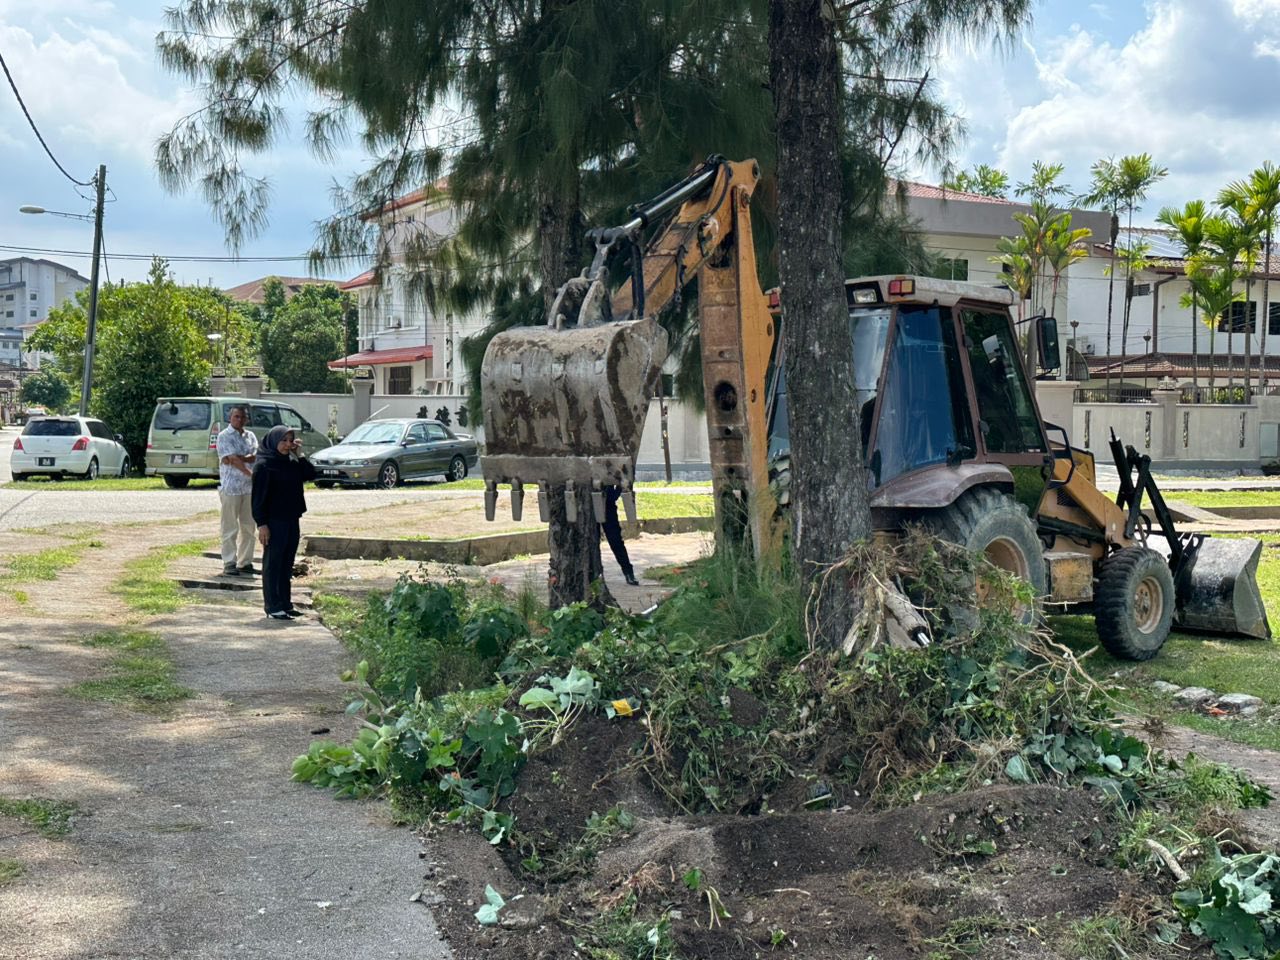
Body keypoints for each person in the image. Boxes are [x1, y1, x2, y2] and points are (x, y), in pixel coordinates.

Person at [251, 425, 316, 620]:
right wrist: (261, 524)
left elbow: (310, 474)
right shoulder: (263, 465)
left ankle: (285, 603)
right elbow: (258, 499)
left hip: (291, 518)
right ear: (273, 442)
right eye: (283, 441)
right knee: (273, 562)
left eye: (290, 440)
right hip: (273, 521)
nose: (288, 445)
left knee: (287, 563)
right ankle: (272, 605)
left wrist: (300, 454)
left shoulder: (290, 463)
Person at [215, 405, 258, 576]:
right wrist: (247, 469)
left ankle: (245, 561)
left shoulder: (250, 436)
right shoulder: (224, 436)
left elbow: (255, 455)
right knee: (229, 527)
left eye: (242, 417)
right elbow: (231, 459)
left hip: (248, 489)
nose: (239, 420)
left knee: (249, 526)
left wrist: (239, 458)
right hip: (231, 487)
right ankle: (229, 562)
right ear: (230, 418)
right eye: (236, 417)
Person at [600, 484, 640, 586]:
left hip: (608, 504)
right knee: (591, 541)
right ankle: (594, 574)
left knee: (615, 540)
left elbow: (621, 478)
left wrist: (614, 494)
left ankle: (628, 572)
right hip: (589, 503)